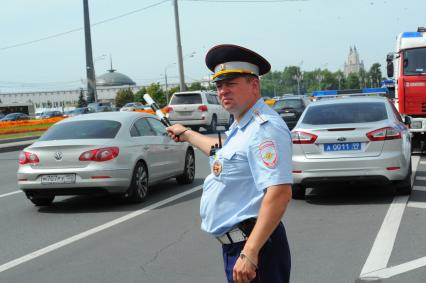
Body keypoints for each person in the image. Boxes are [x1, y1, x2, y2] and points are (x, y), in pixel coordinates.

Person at [167, 44, 293, 283]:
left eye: (231, 84)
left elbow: (279, 192)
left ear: (254, 85)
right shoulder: (242, 127)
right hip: (240, 247)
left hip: (256, 248)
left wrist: (251, 252)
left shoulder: (264, 129)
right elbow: (221, 154)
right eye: (219, 85)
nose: (223, 91)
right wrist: (186, 134)